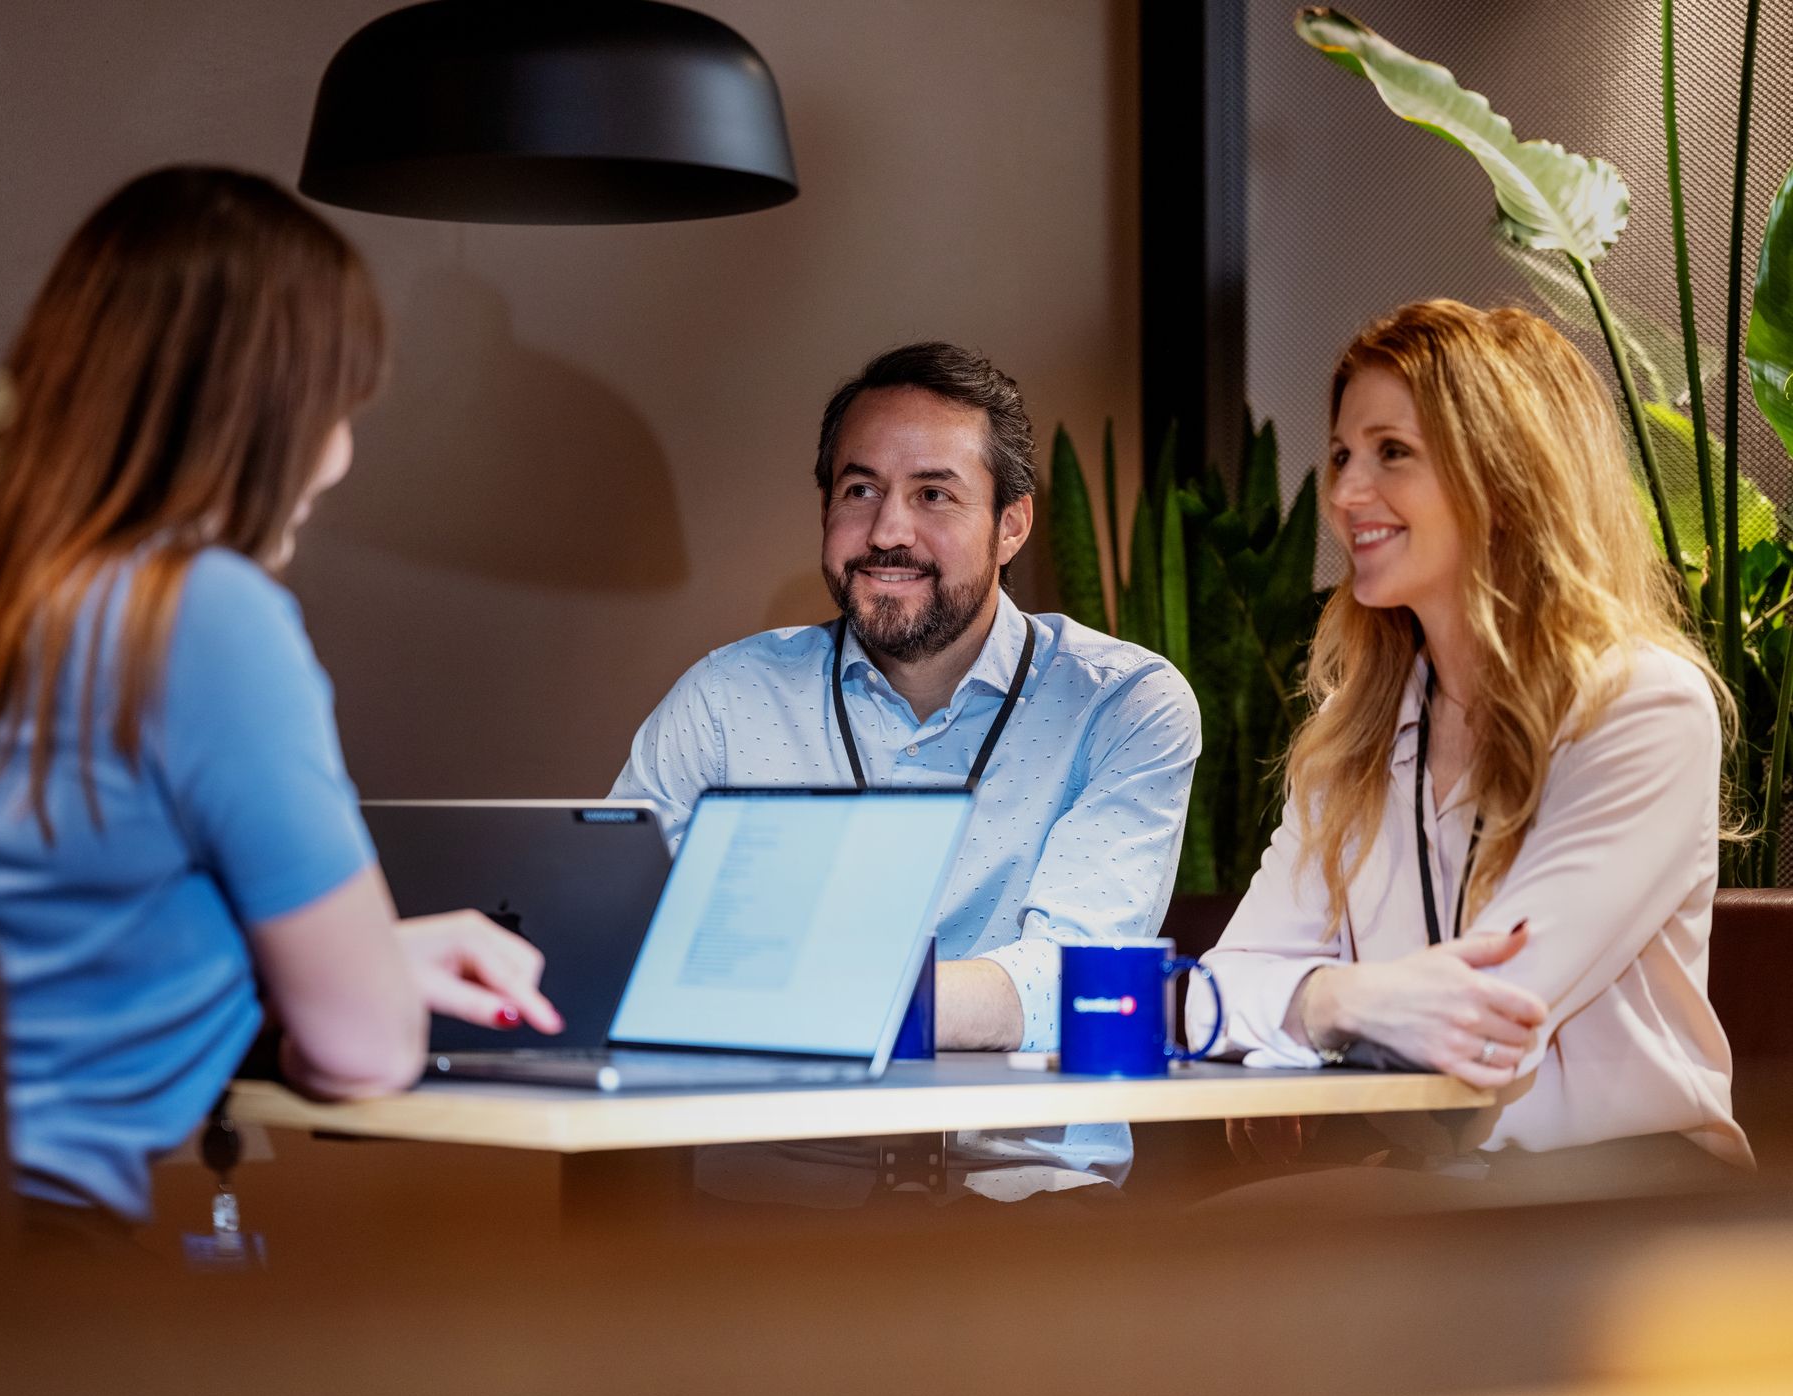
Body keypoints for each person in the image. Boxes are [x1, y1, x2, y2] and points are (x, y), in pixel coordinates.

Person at [0, 167, 562, 1236]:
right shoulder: (202, 614)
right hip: (35, 1265)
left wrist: (369, 957)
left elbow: (55, 938)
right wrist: (356, 988)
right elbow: (362, 1050)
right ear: (267, 410)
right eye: (340, 407)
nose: (338, 457)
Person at [613, 341, 1200, 1197]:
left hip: (1022, 1202)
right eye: (860, 491)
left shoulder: (1122, 704)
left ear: (1013, 524)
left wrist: (784, 993)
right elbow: (615, 947)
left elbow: (1076, 986)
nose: (888, 531)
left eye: (934, 494)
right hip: (766, 1196)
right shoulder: (729, 698)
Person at [1191, 299, 1749, 1195]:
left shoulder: (1643, 705)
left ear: (1501, 473)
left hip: (1629, 1196)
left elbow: (1486, 1019)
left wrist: (1305, 1011)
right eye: (1340, 455)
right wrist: (1341, 1002)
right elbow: (1212, 994)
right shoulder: (1354, 736)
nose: (1342, 494)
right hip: (1440, 1188)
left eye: (1392, 453)